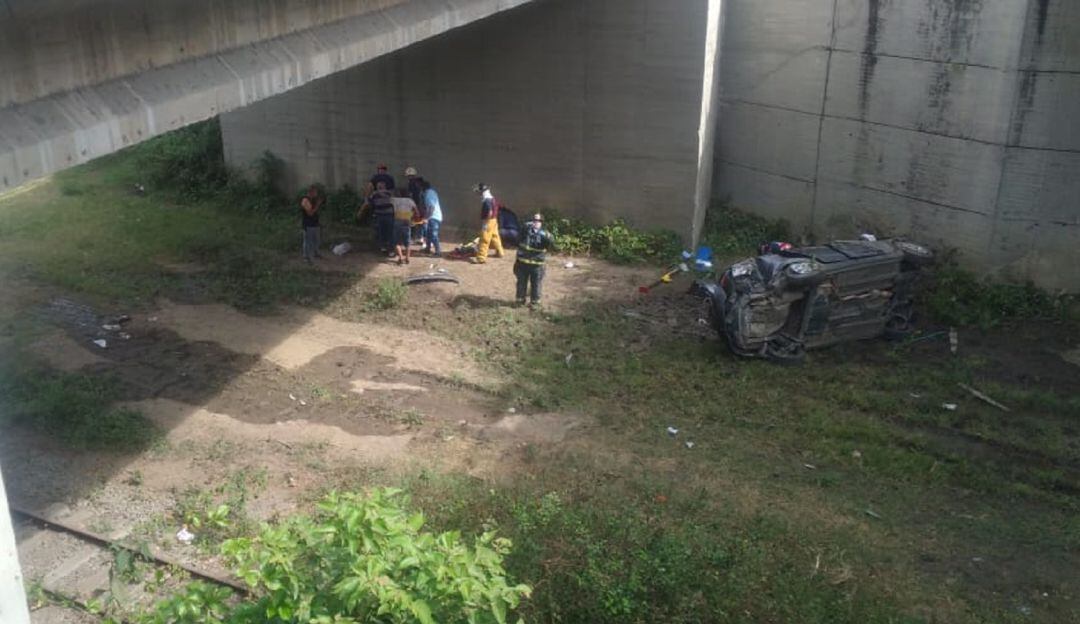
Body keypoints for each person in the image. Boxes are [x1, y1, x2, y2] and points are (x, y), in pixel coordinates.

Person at [514, 213, 554, 307]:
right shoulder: (525, 231)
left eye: (538, 221)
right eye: (534, 220)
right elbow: (517, 241)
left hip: (537, 265)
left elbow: (551, 244)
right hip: (522, 263)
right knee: (521, 283)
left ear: (542, 223)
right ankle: (519, 301)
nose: (536, 222)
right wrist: (523, 230)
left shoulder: (545, 235)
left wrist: (547, 237)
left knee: (536, 284)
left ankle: (535, 303)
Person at [470, 183, 505, 264]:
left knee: (484, 238)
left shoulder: (487, 200)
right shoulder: (491, 198)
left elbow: (490, 212)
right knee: (495, 236)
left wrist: (486, 222)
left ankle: (481, 258)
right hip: (494, 220)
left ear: (482, 191)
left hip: (489, 221)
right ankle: (500, 252)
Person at [391, 190, 420, 265]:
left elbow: (389, 198)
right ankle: (407, 258)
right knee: (407, 243)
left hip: (397, 221)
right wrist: (412, 216)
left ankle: (400, 258)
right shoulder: (410, 201)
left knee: (396, 242)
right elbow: (417, 212)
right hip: (407, 222)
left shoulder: (395, 200)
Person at [368, 180, 395, 253]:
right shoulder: (388, 193)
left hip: (384, 214)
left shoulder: (377, 194)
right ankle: (387, 248)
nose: (379, 187)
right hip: (385, 214)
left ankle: (386, 248)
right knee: (386, 232)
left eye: (380, 186)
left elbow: (370, 203)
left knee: (385, 232)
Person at [299, 185, 323, 262]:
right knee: (307, 241)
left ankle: (316, 253)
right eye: (315, 192)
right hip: (308, 224)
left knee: (316, 240)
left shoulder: (313, 200)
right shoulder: (305, 200)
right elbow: (310, 213)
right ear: (311, 192)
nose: (316, 194)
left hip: (315, 223)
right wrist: (317, 205)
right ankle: (306, 256)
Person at [404, 167, 426, 246]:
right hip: (420, 204)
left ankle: (413, 238)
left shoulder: (411, 183)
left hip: (415, 204)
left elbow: (410, 195)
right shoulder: (418, 183)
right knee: (420, 221)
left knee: (413, 222)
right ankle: (420, 237)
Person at [421, 180, 443, 257]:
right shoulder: (431, 192)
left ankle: (438, 252)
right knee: (428, 234)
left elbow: (432, 207)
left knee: (433, 235)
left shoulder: (428, 194)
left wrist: (426, 218)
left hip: (434, 217)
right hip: (433, 216)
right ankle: (428, 248)